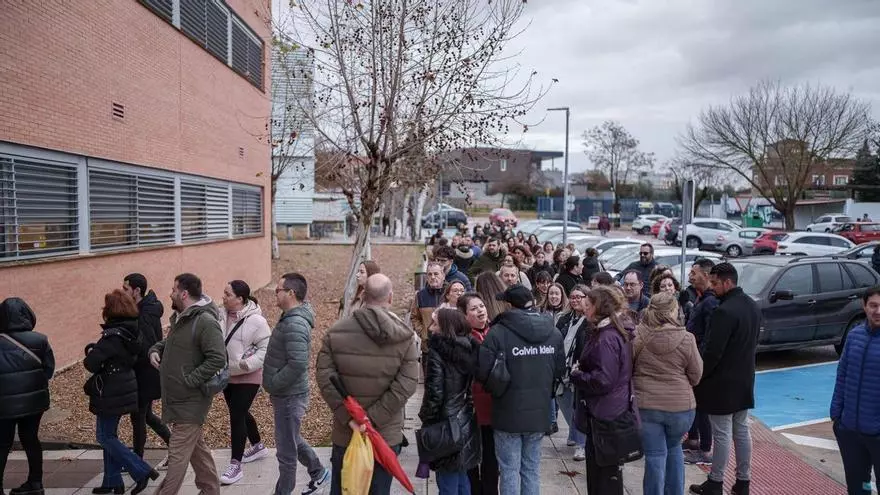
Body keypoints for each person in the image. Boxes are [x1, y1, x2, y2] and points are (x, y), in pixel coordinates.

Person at [317, 274, 420, 495]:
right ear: (390, 298)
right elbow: (408, 383)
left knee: (344, 488)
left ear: (362, 295)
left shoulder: (335, 333)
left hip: (347, 432)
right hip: (384, 434)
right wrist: (371, 420)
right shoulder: (404, 337)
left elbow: (325, 377)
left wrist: (351, 418)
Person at [477, 285, 564, 495]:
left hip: (507, 412)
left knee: (509, 471)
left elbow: (482, 372)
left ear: (508, 305)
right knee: (531, 469)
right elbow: (559, 371)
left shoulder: (498, 332)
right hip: (539, 412)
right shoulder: (552, 331)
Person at [148, 273, 226, 495]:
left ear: (183, 294)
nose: (170, 294)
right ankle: (211, 490)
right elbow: (172, 343)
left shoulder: (205, 321)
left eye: (173, 290)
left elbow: (217, 358)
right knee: (197, 450)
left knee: (177, 457)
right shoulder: (182, 317)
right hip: (178, 398)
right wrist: (155, 349)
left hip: (191, 400)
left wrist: (190, 379)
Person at [690, 263, 760, 495]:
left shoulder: (723, 311)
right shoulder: (752, 306)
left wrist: (698, 376)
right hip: (744, 380)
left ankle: (716, 481)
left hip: (721, 385)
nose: (712, 287)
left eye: (716, 283)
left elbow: (712, 353)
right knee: (741, 431)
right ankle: (743, 482)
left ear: (728, 282)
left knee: (722, 435)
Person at [85, 290, 159, 495]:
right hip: (125, 386)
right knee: (109, 434)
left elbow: (90, 364)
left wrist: (93, 351)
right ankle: (112, 482)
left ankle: (141, 471)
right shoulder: (133, 332)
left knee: (104, 436)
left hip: (110, 390)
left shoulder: (112, 337)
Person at [263, 273, 330, 495]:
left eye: (278, 290)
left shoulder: (295, 323)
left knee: (286, 453)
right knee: (291, 438)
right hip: (287, 395)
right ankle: (318, 472)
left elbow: (298, 363)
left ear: (291, 293)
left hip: (289, 396)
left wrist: (273, 382)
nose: (276, 293)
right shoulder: (289, 317)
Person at [634, 293, 703, 495]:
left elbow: (627, 369)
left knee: (655, 455)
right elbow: (696, 375)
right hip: (681, 409)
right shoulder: (687, 338)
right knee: (674, 449)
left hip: (647, 407)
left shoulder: (638, 336)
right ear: (674, 311)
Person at [570, 285, 636, 494]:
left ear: (600, 308)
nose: (583, 308)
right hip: (609, 410)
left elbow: (604, 380)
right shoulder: (609, 331)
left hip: (606, 414)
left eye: (588, 305)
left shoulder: (607, 337)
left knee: (605, 475)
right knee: (605, 473)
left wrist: (578, 375)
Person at [419, 309, 481, 495]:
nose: (431, 328)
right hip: (465, 419)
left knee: (447, 480)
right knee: (461, 476)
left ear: (447, 327)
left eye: (435, 323)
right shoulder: (471, 348)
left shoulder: (438, 352)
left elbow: (434, 393)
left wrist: (426, 418)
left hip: (444, 423)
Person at [217, 281, 272, 486]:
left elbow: (265, 348)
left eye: (227, 294)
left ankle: (235, 465)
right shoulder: (220, 315)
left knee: (237, 414)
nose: (223, 296)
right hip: (227, 373)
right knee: (238, 411)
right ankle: (257, 446)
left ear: (240, 299)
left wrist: (247, 364)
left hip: (248, 374)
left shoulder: (257, 320)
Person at [0, 298, 54, 495]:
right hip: (34, 402)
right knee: (31, 439)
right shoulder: (40, 340)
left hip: (4, 404)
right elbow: (49, 369)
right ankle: (35, 483)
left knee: (3, 444)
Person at [832, 285, 880, 495]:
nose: (878, 311)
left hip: (877, 433)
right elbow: (842, 374)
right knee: (859, 486)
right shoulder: (854, 336)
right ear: (864, 306)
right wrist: (837, 414)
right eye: (873, 305)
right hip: (850, 430)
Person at [122, 274, 171, 462]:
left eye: (126, 289)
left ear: (137, 291)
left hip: (145, 374)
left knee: (138, 416)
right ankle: (174, 444)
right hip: (145, 373)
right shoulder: (143, 309)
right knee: (146, 415)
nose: (123, 292)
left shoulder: (144, 314)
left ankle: (137, 461)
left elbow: (148, 346)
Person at [458, 293, 498, 495]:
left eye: (481, 306)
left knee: (492, 457)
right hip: (471, 408)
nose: (481, 310)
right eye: (473, 309)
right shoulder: (461, 341)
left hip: (494, 407)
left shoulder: (497, 333)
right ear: (464, 316)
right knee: (471, 457)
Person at [683, 259, 718, 465]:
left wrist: (698, 360)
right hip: (694, 359)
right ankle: (693, 440)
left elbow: (709, 336)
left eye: (694, 272)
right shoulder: (701, 298)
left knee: (702, 405)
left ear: (706, 275)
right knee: (695, 403)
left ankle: (705, 451)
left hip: (701, 363)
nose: (690, 276)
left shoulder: (710, 302)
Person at [555, 285, 591, 462]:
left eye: (579, 296)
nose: (575, 300)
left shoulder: (590, 321)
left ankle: (581, 444)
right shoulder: (564, 319)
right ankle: (573, 432)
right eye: (573, 296)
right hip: (563, 369)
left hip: (580, 368)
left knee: (578, 408)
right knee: (563, 400)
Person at [412, 262, 446, 362]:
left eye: (436, 274)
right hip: (428, 347)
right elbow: (414, 317)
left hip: (448, 345)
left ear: (443, 276)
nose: (432, 277)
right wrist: (423, 333)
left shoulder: (449, 293)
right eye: (429, 274)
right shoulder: (420, 295)